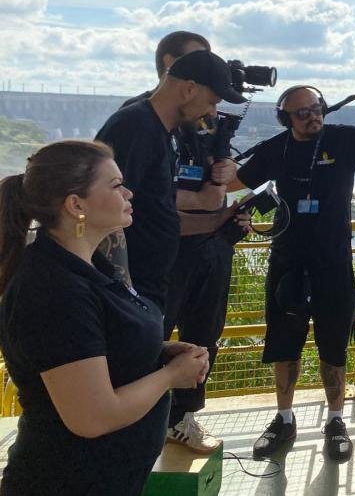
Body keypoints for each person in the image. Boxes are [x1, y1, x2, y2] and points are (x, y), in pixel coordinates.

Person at [0, 140, 209, 495]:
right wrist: (171, 375)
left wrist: (155, 351)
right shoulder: (53, 289)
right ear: (76, 204)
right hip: (65, 482)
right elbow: (92, 417)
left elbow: (92, 344)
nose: (128, 192)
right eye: (115, 185)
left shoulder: (91, 265)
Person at [235, 81, 355, 462]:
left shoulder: (343, 139)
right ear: (287, 119)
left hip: (332, 263)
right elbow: (233, 181)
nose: (313, 116)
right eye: (303, 112)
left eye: (317, 108)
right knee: (284, 344)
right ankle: (284, 418)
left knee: (333, 347)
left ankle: (335, 421)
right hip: (287, 262)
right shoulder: (275, 149)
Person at [122, 31, 246, 454]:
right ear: (184, 81)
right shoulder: (138, 123)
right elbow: (132, 201)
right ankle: (138, 429)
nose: (213, 110)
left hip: (189, 253)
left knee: (197, 339)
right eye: (212, 99)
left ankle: (173, 421)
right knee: (141, 353)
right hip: (143, 271)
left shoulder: (171, 127)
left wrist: (221, 209)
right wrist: (205, 205)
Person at [95, 49, 248, 313]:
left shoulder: (165, 134)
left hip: (150, 285)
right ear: (189, 89)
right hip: (130, 290)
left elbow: (158, 213)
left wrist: (217, 221)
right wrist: (123, 289)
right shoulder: (135, 128)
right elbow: (105, 211)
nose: (212, 112)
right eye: (212, 101)